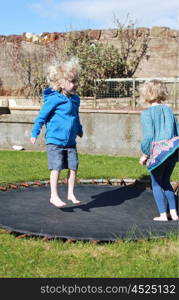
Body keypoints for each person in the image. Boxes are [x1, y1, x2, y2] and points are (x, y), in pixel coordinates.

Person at [30, 57, 83, 208]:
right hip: (55, 140)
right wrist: (35, 132)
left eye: (76, 81)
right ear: (60, 83)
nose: (75, 84)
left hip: (71, 142)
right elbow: (42, 116)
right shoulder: (54, 99)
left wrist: (79, 129)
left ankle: (71, 193)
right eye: (72, 81)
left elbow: (75, 116)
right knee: (56, 167)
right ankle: (54, 195)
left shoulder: (75, 99)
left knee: (73, 167)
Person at [139, 79, 179, 221]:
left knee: (156, 183)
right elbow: (177, 130)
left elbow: (149, 136)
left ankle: (163, 214)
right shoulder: (168, 110)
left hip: (158, 153)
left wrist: (145, 153)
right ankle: (174, 214)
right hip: (172, 152)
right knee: (166, 182)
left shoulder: (146, 114)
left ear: (146, 94)